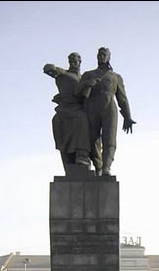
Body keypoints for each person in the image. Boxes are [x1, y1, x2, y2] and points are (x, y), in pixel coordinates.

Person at [76, 47, 136, 176]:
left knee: (109, 139)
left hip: (109, 108)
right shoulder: (89, 74)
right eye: (99, 54)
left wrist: (128, 116)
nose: (101, 56)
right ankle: (98, 166)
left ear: (109, 57)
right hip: (92, 108)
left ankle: (106, 167)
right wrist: (87, 83)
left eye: (104, 54)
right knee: (92, 140)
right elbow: (77, 91)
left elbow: (122, 98)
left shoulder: (115, 77)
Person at [43, 52, 91, 174]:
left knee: (83, 120)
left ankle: (82, 155)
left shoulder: (84, 78)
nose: (73, 63)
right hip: (65, 108)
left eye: (76, 60)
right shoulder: (64, 73)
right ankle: (70, 160)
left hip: (80, 109)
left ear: (80, 62)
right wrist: (54, 69)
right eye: (71, 61)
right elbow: (48, 69)